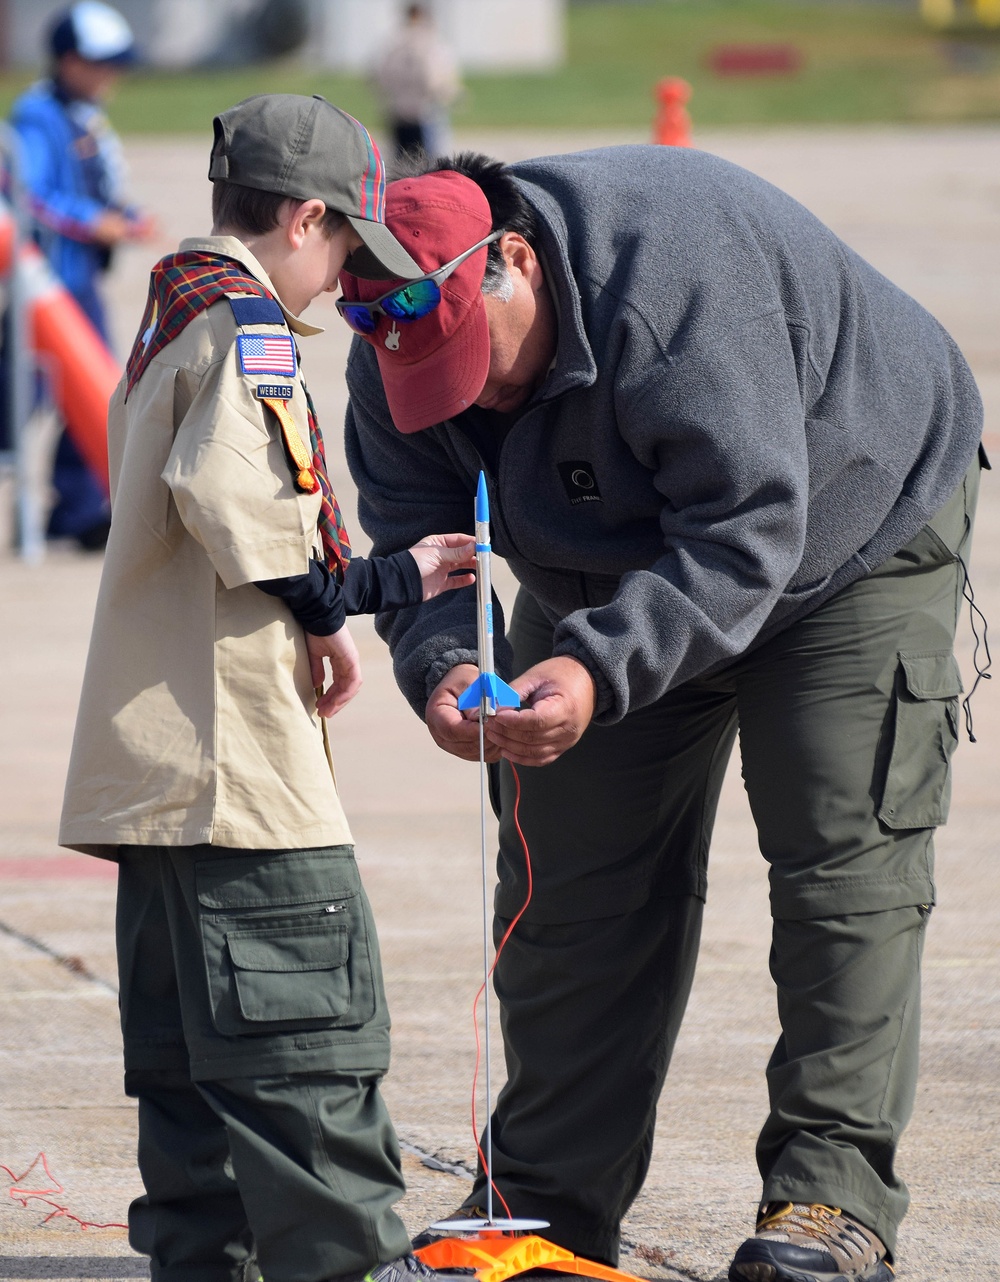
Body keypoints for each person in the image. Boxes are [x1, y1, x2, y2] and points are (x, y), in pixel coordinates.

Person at [336, 151, 987, 1282]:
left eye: (473, 364)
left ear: (515, 264)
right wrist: (444, 669)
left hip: (844, 530)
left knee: (841, 866)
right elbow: (413, 546)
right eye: (426, 377)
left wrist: (594, 670)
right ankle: (539, 1201)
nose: (466, 397)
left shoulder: (674, 291)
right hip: (608, 562)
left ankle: (829, 1203)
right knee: (569, 878)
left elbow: (746, 531)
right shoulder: (394, 352)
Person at [58, 93, 478, 1282]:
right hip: (237, 776)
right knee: (310, 1067)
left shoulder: (174, 302)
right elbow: (259, 526)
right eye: (346, 246)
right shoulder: (249, 329)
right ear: (302, 218)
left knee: (197, 1107)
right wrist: (390, 579)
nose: (344, 280)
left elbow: (213, 525)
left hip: (163, 773)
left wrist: (311, 619)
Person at [7, 1, 155, 549]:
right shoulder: (36, 116)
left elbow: (97, 185)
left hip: (76, 281)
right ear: (67, 61)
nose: (109, 75)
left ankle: (76, 505)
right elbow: (30, 194)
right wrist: (96, 223)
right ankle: (71, 505)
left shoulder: (81, 113)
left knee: (81, 384)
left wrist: (126, 216)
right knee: (29, 393)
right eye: (99, 63)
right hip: (48, 281)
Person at [372, 3, 461, 163]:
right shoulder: (432, 43)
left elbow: (381, 76)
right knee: (431, 164)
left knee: (401, 164)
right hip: (425, 111)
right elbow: (435, 79)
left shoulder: (393, 43)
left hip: (398, 112)